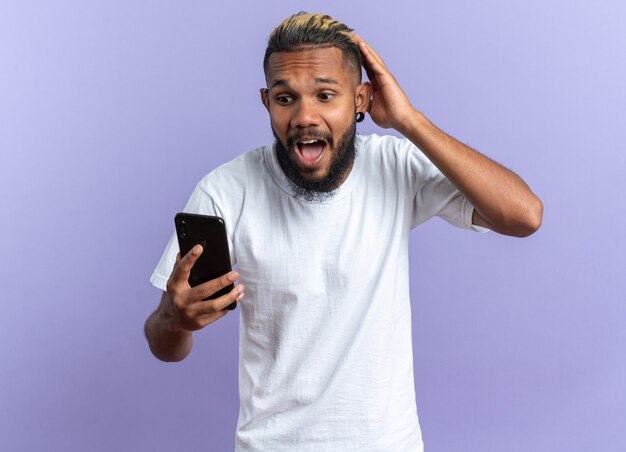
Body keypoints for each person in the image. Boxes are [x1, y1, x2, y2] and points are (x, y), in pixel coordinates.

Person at [144, 12, 543, 452]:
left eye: (325, 94)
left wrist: (409, 120)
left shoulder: (394, 166)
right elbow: (166, 345)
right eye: (285, 98)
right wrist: (174, 320)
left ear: (361, 99)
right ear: (266, 102)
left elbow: (523, 216)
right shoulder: (225, 190)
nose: (304, 116)